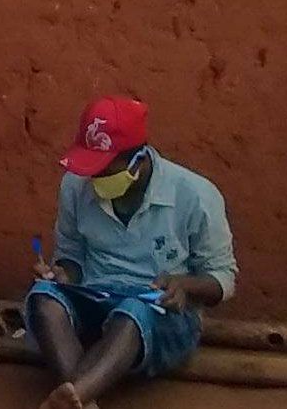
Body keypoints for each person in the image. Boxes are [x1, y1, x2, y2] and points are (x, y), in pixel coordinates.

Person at [28, 96, 237, 409]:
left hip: (159, 313)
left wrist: (184, 284)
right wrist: (62, 273)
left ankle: (75, 395)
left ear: (138, 163)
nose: (93, 179)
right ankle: (81, 397)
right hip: (95, 297)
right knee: (43, 297)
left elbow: (224, 278)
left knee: (133, 311)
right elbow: (71, 255)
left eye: (104, 170)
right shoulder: (75, 185)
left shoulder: (196, 196)